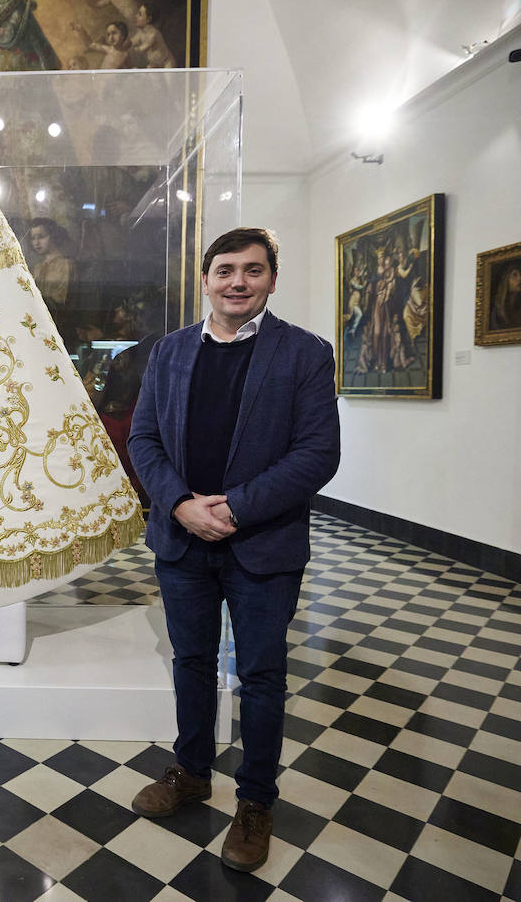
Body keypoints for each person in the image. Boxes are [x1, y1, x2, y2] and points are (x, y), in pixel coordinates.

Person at [127, 227, 340, 873]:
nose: (237, 282)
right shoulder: (167, 353)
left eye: (252, 270)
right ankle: (191, 773)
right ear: (206, 279)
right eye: (225, 270)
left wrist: (236, 507)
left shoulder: (305, 354)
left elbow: (317, 454)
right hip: (182, 540)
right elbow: (143, 441)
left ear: (273, 279)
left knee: (262, 676)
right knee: (190, 661)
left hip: (263, 545)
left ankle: (256, 803)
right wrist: (183, 505)